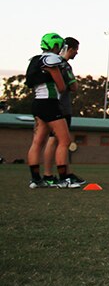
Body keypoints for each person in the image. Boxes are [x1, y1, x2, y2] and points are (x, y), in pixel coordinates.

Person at [25, 33, 83, 189]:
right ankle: (64, 178)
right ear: (56, 46)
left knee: (37, 142)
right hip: (50, 103)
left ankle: (36, 180)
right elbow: (62, 87)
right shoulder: (52, 60)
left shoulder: (36, 60)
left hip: (37, 103)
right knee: (64, 141)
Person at [41, 37, 83, 187]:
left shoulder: (49, 61)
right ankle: (56, 175)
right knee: (58, 141)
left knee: (54, 141)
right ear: (70, 49)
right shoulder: (63, 65)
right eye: (76, 50)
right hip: (61, 107)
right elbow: (73, 87)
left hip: (49, 104)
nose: (77, 53)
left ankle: (60, 174)